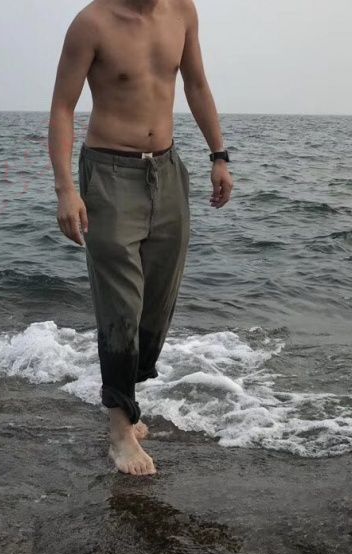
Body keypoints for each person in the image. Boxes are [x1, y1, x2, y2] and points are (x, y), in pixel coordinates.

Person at [48, 0, 233, 476]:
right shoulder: (91, 23)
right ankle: (118, 428)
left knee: (157, 301)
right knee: (121, 305)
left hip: (167, 172)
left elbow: (195, 83)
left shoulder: (183, 11)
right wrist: (66, 189)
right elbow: (63, 107)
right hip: (108, 174)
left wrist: (219, 155)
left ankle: (127, 399)